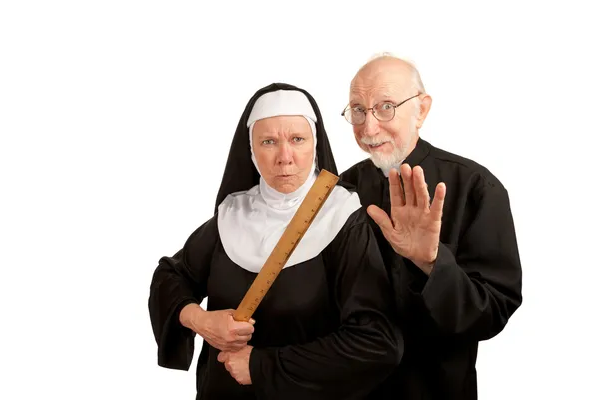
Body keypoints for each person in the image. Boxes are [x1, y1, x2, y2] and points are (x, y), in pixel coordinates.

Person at [148, 82, 404, 399]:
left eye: (297, 139)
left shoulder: (344, 221)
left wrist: (260, 366)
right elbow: (170, 276)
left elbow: (376, 343)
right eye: (268, 141)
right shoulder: (232, 216)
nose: (285, 157)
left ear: (315, 145)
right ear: (251, 151)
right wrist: (200, 320)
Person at [339, 54, 523, 399]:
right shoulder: (341, 190)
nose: (368, 128)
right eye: (358, 110)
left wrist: (431, 263)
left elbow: (495, 310)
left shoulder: (477, 187)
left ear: (421, 110)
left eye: (386, 107)